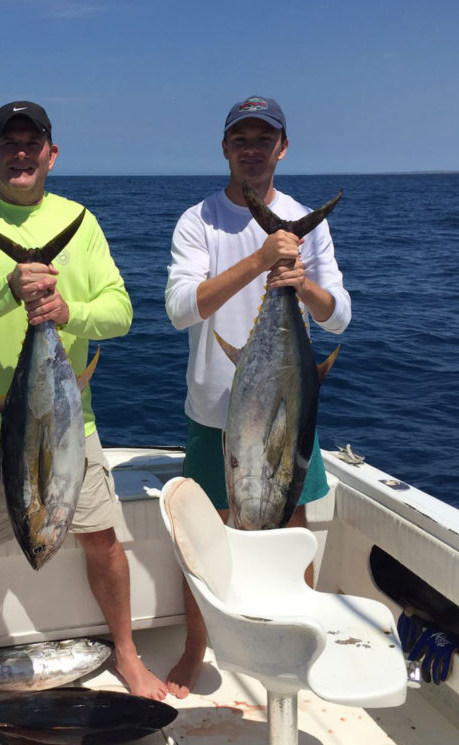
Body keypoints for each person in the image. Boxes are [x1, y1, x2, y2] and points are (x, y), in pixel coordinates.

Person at [0, 100, 167, 703]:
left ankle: (128, 654)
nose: (21, 153)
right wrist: (7, 289)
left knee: (103, 541)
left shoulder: (82, 221)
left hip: (66, 426)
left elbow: (122, 311)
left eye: (33, 144)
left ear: (52, 154)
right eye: (10, 143)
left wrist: (67, 312)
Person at [163, 95, 351, 698]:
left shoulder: (304, 220)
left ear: (282, 148)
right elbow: (179, 308)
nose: (251, 149)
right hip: (216, 414)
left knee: (293, 525)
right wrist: (260, 261)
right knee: (205, 536)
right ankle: (197, 648)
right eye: (240, 139)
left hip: (290, 409)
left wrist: (302, 285)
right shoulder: (199, 220)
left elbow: (339, 317)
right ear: (225, 149)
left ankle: (299, 639)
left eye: (262, 139)